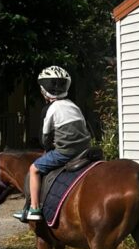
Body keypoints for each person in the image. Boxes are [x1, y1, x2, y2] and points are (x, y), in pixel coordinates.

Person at [14, 66, 90, 222]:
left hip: (65, 153)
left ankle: (34, 209)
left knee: (34, 169)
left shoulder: (50, 109)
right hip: (85, 150)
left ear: (43, 90)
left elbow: (45, 139)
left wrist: (48, 148)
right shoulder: (74, 106)